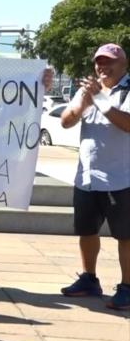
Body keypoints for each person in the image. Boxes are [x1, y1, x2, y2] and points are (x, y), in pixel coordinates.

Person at [59, 43, 130, 310]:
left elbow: (127, 124)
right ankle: (89, 277)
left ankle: (127, 286)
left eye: (109, 61)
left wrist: (100, 100)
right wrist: (80, 107)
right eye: (99, 62)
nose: (102, 67)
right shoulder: (87, 90)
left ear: (123, 64)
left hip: (121, 179)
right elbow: (66, 121)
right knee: (86, 231)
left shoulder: (126, 90)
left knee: (125, 236)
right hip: (87, 176)